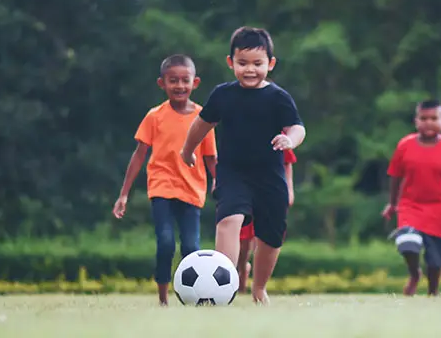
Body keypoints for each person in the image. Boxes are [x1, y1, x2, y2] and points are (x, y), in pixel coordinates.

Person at [180, 26, 306, 305]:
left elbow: (297, 127)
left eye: (258, 64)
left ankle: (259, 288)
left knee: (271, 237)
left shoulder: (278, 97)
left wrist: (290, 141)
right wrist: (187, 150)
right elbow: (201, 124)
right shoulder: (223, 95)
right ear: (231, 62)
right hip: (232, 173)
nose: (250, 70)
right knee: (229, 221)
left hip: (270, 176)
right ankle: (221, 289)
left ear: (270, 64)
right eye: (243, 63)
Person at [112, 54, 218, 306]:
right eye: (173, 81)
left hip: (192, 190)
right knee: (166, 243)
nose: (179, 86)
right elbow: (139, 156)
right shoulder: (154, 116)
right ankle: (162, 299)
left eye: (185, 80)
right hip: (161, 188)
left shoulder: (204, 118)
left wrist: (219, 182)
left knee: (192, 247)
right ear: (162, 83)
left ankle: (194, 296)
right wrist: (123, 194)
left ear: (196, 82)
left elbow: (212, 157)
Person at [382, 99, 441, 297]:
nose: (428, 122)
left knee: (436, 257)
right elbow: (395, 176)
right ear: (416, 121)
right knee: (407, 241)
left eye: (433, 118)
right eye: (423, 118)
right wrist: (392, 203)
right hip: (410, 206)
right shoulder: (405, 146)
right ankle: (414, 274)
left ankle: (433, 292)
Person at [237, 147, 296, 294]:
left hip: (270, 191)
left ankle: (258, 284)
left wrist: (289, 188)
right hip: (245, 191)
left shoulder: (277, 133)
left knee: (263, 238)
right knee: (243, 243)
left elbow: (287, 163)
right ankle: (242, 270)